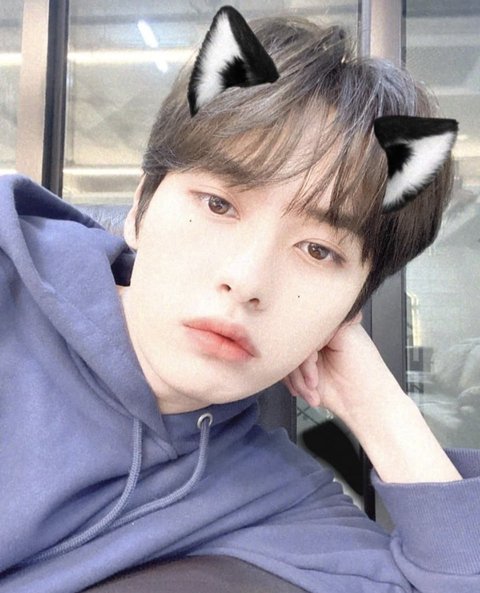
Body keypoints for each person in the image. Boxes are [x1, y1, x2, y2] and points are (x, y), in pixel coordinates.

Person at [0, 6, 478, 593]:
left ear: (350, 309)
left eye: (318, 250)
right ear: (140, 209)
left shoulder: (272, 494)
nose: (247, 279)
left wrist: (381, 411)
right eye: (218, 205)